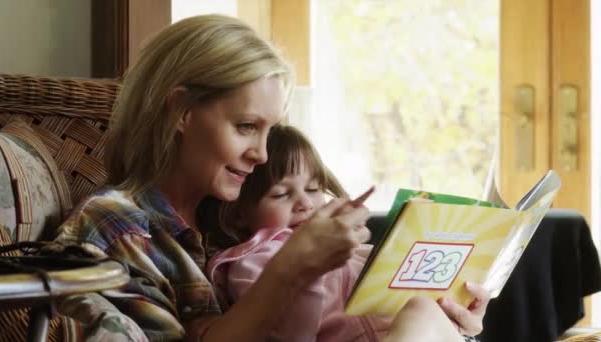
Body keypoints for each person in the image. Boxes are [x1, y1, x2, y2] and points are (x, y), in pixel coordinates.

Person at [51, 14, 488, 342]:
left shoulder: (234, 214)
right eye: (245, 127)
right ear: (181, 111)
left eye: (268, 131)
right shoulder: (117, 225)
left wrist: (448, 320)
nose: (261, 155)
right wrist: (291, 270)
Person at [207, 125, 483, 342]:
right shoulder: (251, 263)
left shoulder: (356, 248)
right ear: (240, 213)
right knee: (421, 313)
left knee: (424, 309)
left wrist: (455, 298)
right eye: (281, 194)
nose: (305, 203)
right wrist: (309, 268)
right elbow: (290, 337)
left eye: (314, 189)